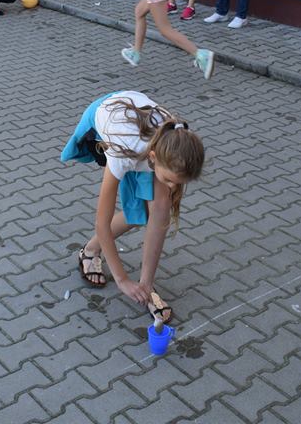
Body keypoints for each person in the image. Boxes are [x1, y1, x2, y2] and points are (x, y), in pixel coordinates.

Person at [61, 91, 205, 324]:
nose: (172, 186)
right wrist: (122, 280)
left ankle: (147, 287)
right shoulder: (121, 152)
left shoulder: (177, 140)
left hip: (139, 128)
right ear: (153, 157)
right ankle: (89, 251)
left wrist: (142, 286)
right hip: (104, 119)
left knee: (159, 208)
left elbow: (160, 216)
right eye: (169, 180)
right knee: (139, 211)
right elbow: (101, 222)